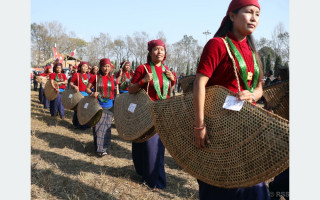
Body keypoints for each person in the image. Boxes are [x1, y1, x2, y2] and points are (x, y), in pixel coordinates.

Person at [193, 0, 270, 199]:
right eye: (249, 12)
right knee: (219, 184)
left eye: (258, 14)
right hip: (219, 127)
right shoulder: (217, 45)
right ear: (232, 16)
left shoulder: (254, 53)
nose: (254, 18)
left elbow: (260, 88)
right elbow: (199, 84)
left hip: (247, 128)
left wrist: (252, 95)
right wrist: (200, 125)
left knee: (252, 185)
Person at [128, 39, 176, 189]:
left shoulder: (167, 70)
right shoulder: (143, 69)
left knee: (155, 147)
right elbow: (131, 89)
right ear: (149, 52)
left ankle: (154, 181)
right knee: (141, 145)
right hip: (144, 113)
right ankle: (143, 172)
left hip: (161, 114)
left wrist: (173, 81)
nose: (159, 52)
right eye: (156, 49)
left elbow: (167, 92)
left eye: (162, 49)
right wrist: (143, 81)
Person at [86, 58, 119, 157]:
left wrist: (117, 101)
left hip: (110, 106)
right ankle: (99, 149)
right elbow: (87, 88)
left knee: (107, 128)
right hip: (98, 106)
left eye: (108, 66)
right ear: (101, 67)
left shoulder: (113, 79)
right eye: (104, 66)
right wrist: (92, 93)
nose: (106, 68)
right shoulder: (95, 77)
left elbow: (115, 91)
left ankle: (104, 147)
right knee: (98, 128)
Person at [70, 61, 90, 129]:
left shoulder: (88, 76)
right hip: (79, 95)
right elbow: (71, 83)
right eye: (83, 66)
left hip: (87, 96)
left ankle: (84, 124)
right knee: (78, 110)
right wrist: (74, 86)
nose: (85, 68)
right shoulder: (77, 75)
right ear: (80, 67)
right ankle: (76, 123)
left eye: (86, 67)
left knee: (85, 109)